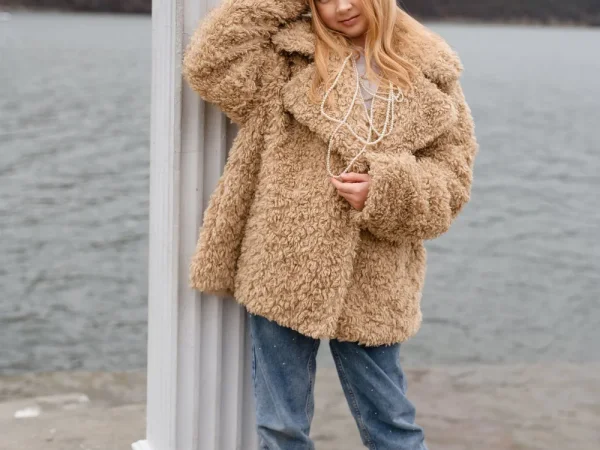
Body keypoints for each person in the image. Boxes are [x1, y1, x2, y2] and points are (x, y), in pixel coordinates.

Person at [183, 0, 479, 448]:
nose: (341, 6)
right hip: (285, 264)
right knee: (281, 427)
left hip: (378, 274)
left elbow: (452, 180)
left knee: (392, 424)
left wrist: (386, 189)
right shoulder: (286, 61)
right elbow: (211, 60)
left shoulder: (432, 73)